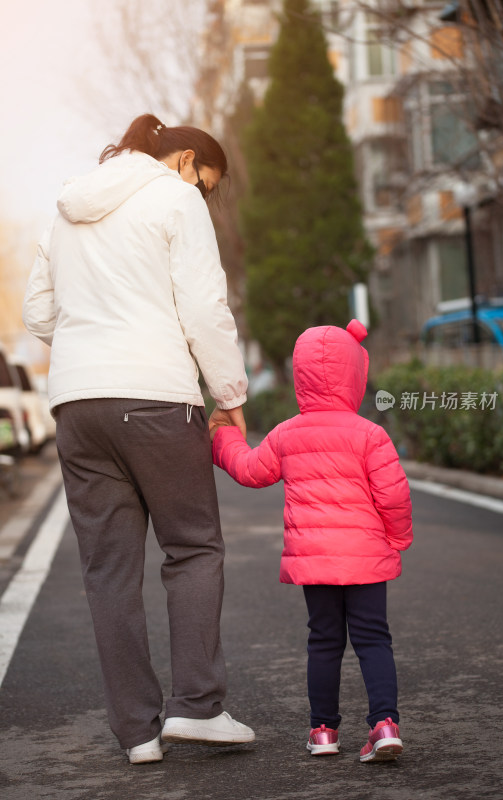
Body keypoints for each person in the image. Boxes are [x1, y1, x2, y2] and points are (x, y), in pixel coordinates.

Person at [23, 113, 255, 764]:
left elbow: (38, 312)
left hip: (76, 403)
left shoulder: (68, 205)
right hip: (155, 396)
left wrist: (91, 340)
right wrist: (230, 396)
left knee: (108, 571)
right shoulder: (175, 198)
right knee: (192, 548)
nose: (204, 194)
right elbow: (204, 308)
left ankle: (138, 733)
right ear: (183, 161)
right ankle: (199, 708)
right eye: (206, 182)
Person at [211, 320, 413, 762]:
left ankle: (323, 731)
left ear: (301, 377)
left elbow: (249, 470)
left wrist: (223, 436)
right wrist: (398, 538)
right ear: (354, 376)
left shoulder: (287, 433)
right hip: (366, 562)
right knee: (373, 640)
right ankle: (384, 725)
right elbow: (394, 493)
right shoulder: (370, 434)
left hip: (316, 564)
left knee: (323, 641)